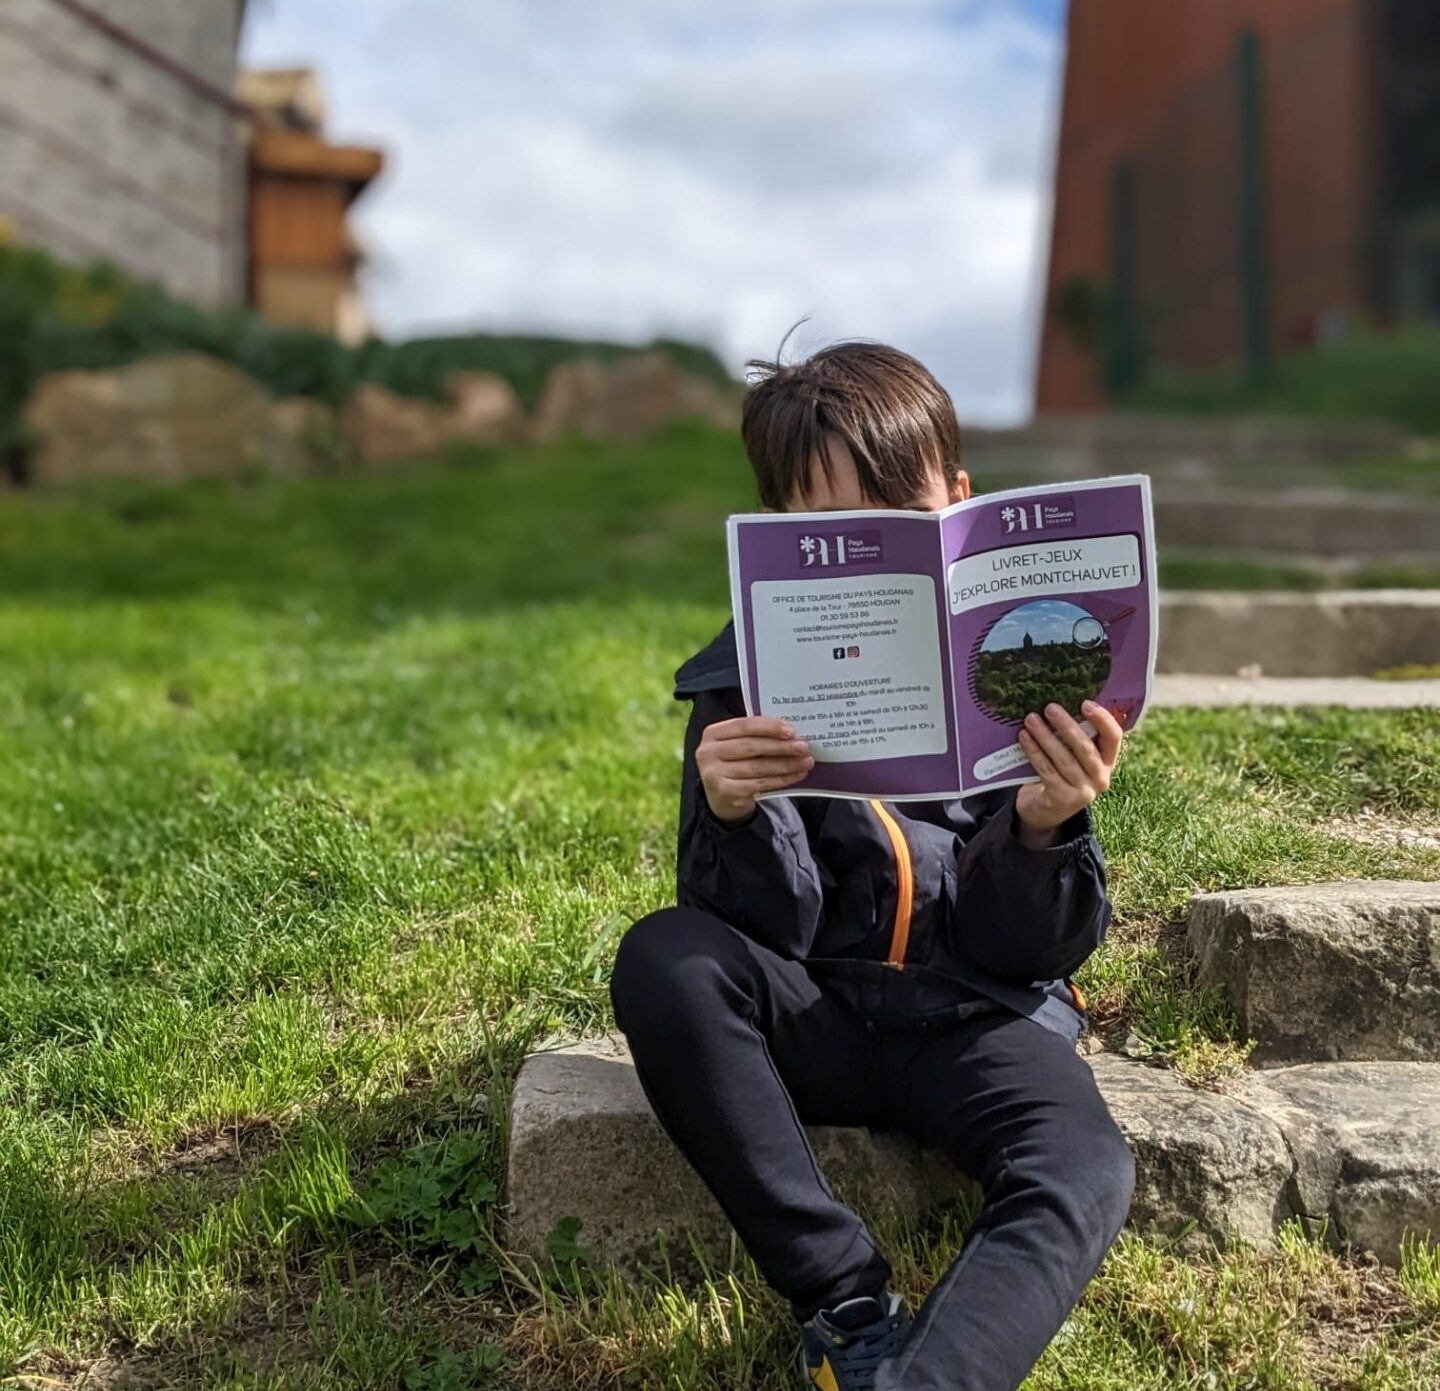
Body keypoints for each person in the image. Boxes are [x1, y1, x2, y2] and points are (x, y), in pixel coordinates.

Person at [610, 339, 1135, 1391]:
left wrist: (1043, 826)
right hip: (824, 1012)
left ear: (958, 500)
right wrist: (735, 809)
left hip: (980, 1014)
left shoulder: (1019, 661)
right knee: (665, 957)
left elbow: (1030, 948)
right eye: (832, 532)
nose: (869, 551)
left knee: (1085, 1162)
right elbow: (767, 933)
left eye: (901, 517)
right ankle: (845, 1294)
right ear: (779, 543)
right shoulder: (737, 684)